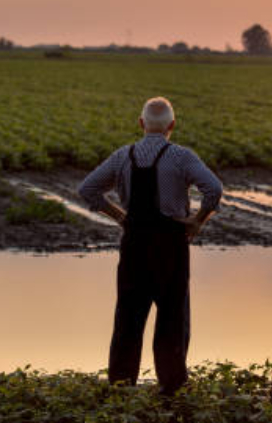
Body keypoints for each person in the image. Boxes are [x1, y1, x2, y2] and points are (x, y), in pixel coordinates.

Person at [77, 96, 223, 395]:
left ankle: (120, 389)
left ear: (142, 124)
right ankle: (172, 390)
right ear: (172, 125)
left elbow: (87, 188)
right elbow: (214, 188)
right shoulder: (181, 157)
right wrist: (198, 221)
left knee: (128, 318)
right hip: (171, 245)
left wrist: (119, 216)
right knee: (172, 317)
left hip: (135, 245)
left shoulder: (123, 156)